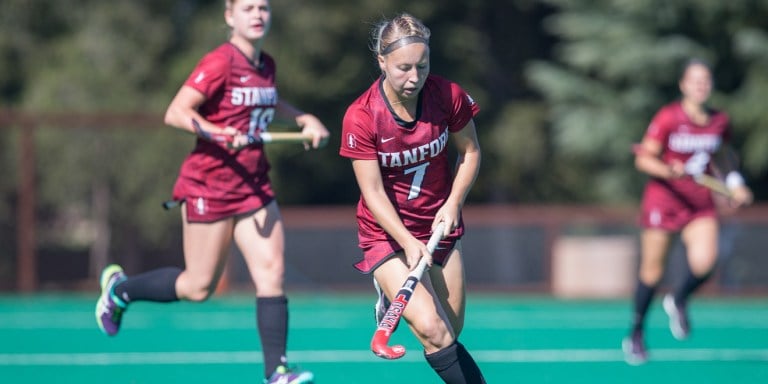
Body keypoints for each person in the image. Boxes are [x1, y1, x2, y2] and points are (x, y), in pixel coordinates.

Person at [95, 1, 329, 383]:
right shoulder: (220, 62)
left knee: (272, 272)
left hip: (254, 184)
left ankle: (277, 370)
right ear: (229, 16)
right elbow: (177, 111)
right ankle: (121, 290)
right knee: (198, 286)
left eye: (264, 8)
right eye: (248, 8)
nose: (257, 15)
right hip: (211, 185)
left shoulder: (265, 64)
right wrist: (219, 132)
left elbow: (268, 100)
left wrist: (303, 117)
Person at [339, 13, 486, 383]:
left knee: (449, 332)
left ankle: (395, 298)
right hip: (387, 234)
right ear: (382, 62)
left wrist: (453, 202)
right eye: (404, 67)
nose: (414, 77)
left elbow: (470, 152)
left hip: (438, 225)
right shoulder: (361, 116)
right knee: (432, 329)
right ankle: (388, 282)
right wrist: (406, 241)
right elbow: (371, 191)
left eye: (422, 66)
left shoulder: (447, 96)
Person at [623, 59, 753, 365]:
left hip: (699, 204)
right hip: (663, 202)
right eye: (695, 81)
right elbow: (644, 160)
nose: (701, 86)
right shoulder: (668, 117)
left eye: (706, 80)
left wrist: (735, 183)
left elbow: (722, 157)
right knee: (652, 272)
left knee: (707, 261)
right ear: (683, 85)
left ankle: (678, 298)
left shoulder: (720, 120)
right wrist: (669, 170)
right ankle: (636, 333)